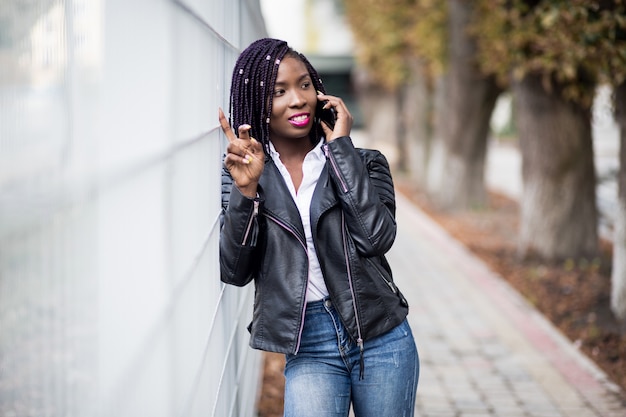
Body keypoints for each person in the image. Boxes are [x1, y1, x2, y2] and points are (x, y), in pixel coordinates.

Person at [219, 38, 419, 417]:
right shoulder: (243, 177)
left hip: (381, 337)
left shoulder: (364, 162)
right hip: (308, 343)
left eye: (305, 85)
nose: (298, 100)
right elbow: (235, 270)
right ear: (256, 103)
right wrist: (247, 192)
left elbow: (377, 238)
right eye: (279, 92)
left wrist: (341, 149)